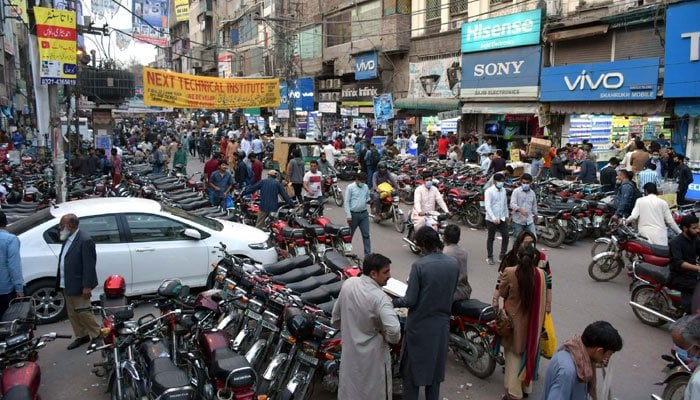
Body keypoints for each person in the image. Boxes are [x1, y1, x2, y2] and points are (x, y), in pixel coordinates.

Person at [393, 227, 459, 400]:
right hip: (440, 328)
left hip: (419, 328)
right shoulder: (453, 264)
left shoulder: (419, 266)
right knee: (434, 376)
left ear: (422, 245)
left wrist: (393, 301)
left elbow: (410, 300)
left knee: (412, 376)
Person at [331, 253, 401, 400]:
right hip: (373, 358)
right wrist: (384, 335)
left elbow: (336, 319)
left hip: (351, 354)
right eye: (386, 272)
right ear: (373, 274)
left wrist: (352, 328)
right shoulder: (381, 298)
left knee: (350, 390)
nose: (389, 275)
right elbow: (395, 333)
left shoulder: (349, 284)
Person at [493, 244, 550, 400]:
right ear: (535, 258)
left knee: (513, 356)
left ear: (518, 256)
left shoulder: (510, 272)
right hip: (533, 323)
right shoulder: (541, 275)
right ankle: (526, 387)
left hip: (513, 322)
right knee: (528, 352)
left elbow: (503, 292)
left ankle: (514, 393)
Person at [541, 321, 623, 400]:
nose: (607, 358)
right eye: (609, 354)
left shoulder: (573, 349)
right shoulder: (567, 372)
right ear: (599, 351)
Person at [57, 214, 100, 350]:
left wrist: (87, 286)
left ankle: (97, 335)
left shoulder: (85, 240)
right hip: (67, 283)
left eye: (62, 225)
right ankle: (82, 335)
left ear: (72, 226)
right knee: (72, 313)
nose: (60, 227)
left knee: (84, 312)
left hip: (79, 284)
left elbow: (89, 265)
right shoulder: (67, 238)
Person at [668, 214, 700, 314]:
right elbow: (679, 262)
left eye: (698, 227)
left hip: (692, 274)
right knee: (692, 307)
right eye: (694, 228)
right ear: (685, 228)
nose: (697, 230)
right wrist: (698, 268)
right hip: (679, 276)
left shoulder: (695, 239)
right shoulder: (675, 242)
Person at [0, 211, 22, 317]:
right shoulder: (10, 239)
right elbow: (14, 266)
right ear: (6, 222)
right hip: (4, 289)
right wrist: (19, 289)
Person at [344, 172, 372, 256]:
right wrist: (348, 215)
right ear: (357, 179)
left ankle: (367, 255)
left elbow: (367, 198)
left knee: (366, 235)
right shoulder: (350, 187)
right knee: (349, 235)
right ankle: (346, 251)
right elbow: (346, 202)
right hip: (353, 215)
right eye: (361, 181)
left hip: (364, 214)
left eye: (364, 181)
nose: (362, 183)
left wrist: (370, 200)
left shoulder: (365, 187)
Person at [485, 173, 509, 265]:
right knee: (491, 238)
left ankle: (502, 255)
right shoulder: (489, 191)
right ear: (495, 181)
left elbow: (504, 204)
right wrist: (494, 218)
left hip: (502, 218)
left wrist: (506, 215)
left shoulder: (504, 191)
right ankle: (490, 257)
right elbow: (488, 206)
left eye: (503, 181)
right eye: (500, 181)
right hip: (491, 219)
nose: (502, 183)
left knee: (506, 236)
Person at [443, 224, 471, 302]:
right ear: (459, 239)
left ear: (444, 237)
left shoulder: (444, 253)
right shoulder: (464, 252)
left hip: (451, 294)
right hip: (464, 291)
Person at [510, 173, 537, 240]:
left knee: (533, 238)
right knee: (517, 239)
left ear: (530, 183)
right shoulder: (516, 192)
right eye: (524, 182)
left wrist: (535, 215)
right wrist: (520, 210)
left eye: (527, 183)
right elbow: (512, 204)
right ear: (521, 182)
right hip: (518, 220)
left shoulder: (532, 193)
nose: (525, 184)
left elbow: (534, 205)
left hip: (529, 220)